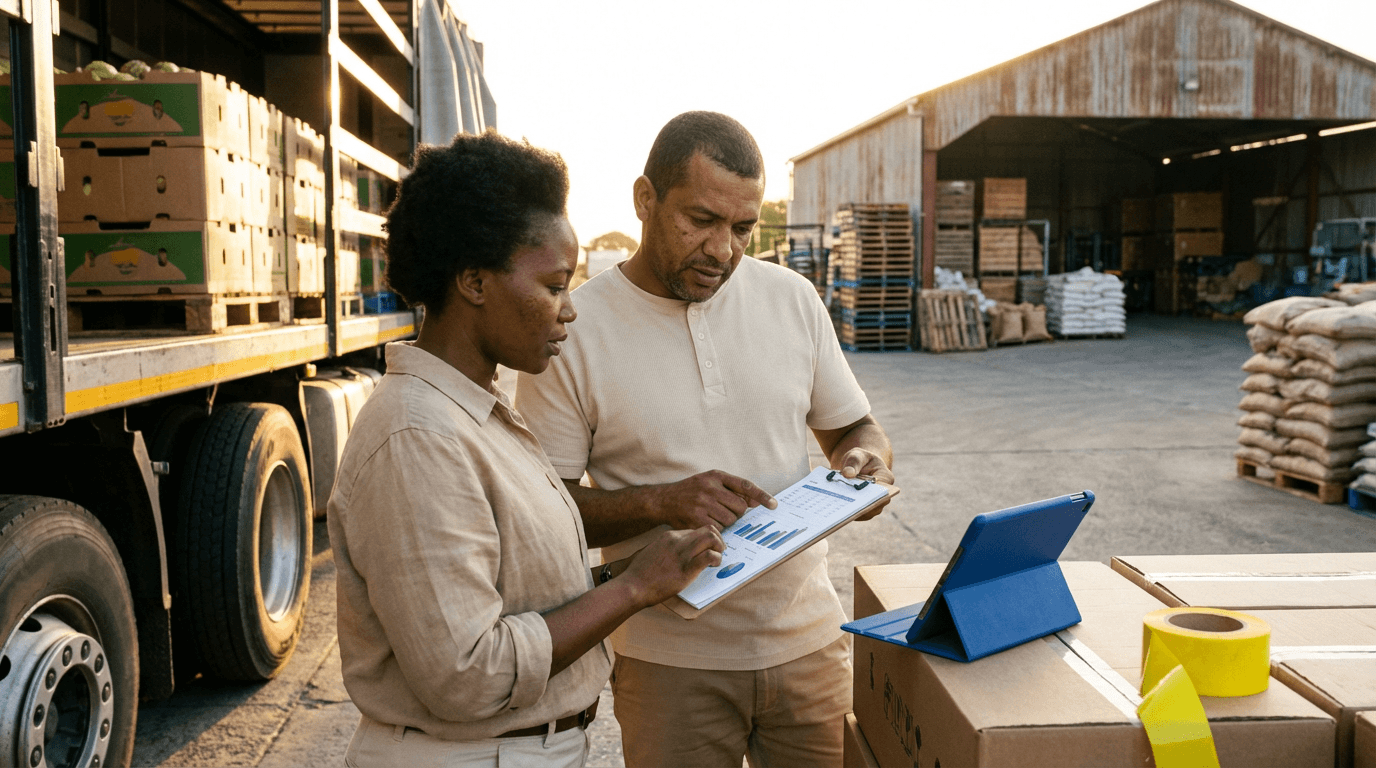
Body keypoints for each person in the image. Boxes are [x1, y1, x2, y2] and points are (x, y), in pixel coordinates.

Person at [328, 130, 725, 768]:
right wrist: (631, 590)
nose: (569, 311)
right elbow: (466, 672)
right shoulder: (417, 438)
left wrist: (633, 572)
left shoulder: (478, 412)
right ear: (474, 282)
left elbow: (517, 597)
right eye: (554, 286)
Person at [515, 111, 896, 767]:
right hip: (668, 663)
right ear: (645, 199)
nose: (723, 249)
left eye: (743, 228)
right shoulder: (572, 328)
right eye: (701, 220)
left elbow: (854, 428)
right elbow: (544, 510)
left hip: (809, 642)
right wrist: (660, 501)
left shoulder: (792, 299)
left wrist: (867, 461)